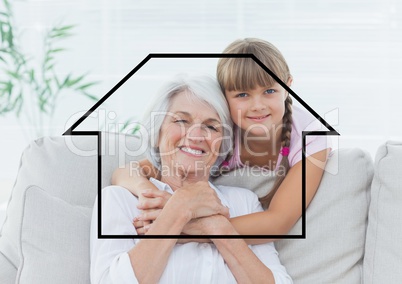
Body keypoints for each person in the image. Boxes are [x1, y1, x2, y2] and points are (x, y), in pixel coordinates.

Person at [112, 38, 331, 238]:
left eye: (269, 91)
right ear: (225, 99)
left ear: (287, 86)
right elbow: (126, 172)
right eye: (242, 95)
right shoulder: (216, 133)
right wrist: (151, 195)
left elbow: (277, 222)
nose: (257, 106)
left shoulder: (311, 136)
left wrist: (181, 227)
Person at [90, 74, 293, 283]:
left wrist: (216, 226)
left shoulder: (244, 203)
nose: (196, 136)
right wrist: (179, 208)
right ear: (158, 132)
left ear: (223, 144)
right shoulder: (119, 200)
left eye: (212, 126)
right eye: (181, 120)